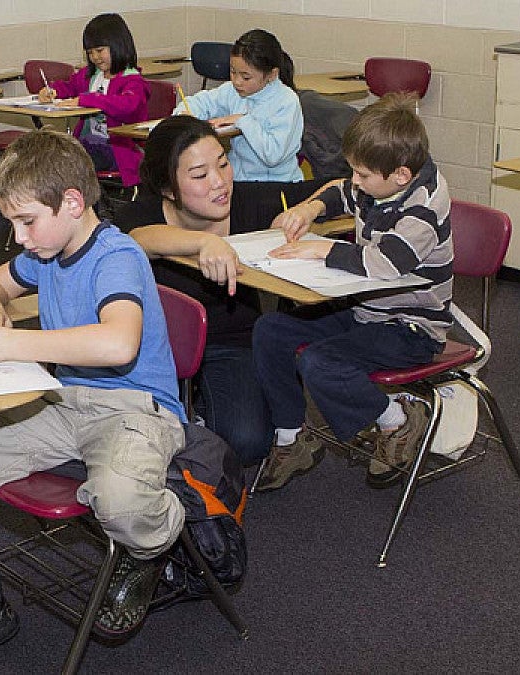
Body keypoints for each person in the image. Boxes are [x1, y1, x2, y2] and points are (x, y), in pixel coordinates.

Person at [0, 130, 186, 671]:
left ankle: (155, 546)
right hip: (63, 401)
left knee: (122, 501)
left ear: (74, 203)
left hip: (135, 409)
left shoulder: (117, 256)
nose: (18, 237)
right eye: (11, 223)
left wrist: (14, 342)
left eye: (27, 221)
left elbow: (119, 342)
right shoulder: (50, 252)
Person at [254, 92, 453, 491]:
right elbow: (339, 190)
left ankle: (397, 419)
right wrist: (309, 209)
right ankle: (292, 436)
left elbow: (386, 264)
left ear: (400, 174)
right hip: (367, 310)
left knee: (319, 362)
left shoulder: (423, 209)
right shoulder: (380, 183)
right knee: (270, 331)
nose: (355, 181)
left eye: (362, 174)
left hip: (410, 327)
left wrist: (322, 248)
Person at [113, 115, 326, 464]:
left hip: (229, 341)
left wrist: (309, 208)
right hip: (155, 347)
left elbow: (339, 185)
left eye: (223, 164)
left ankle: (201, 417)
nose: (219, 182)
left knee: (247, 443)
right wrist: (202, 242)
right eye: (199, 175)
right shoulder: (143, 213)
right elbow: (139, 238)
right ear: (168, 188)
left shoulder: (247, 201)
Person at [174, 29, 303, 182]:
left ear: (272, 74)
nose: (237, 81)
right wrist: (185, 114)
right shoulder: (232, 90)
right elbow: (203, 101)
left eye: (246, 77)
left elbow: (273, 156)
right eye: (233, 72)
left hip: (277, 185)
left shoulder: (286, 101)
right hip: (238, 180)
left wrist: (242, 121)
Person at [37, 12, 148, 186]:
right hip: (89, 143)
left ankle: (85, 208)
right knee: (55, 152)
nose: (95, 57)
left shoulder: (132, 80)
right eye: (90, 52)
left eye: (99, 51)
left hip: (119, 150)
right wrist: (53, 91)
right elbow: (70, 86)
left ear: (118, 46)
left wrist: (88, 99)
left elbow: (127, 105)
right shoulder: (90, 76)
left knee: (72, 160)